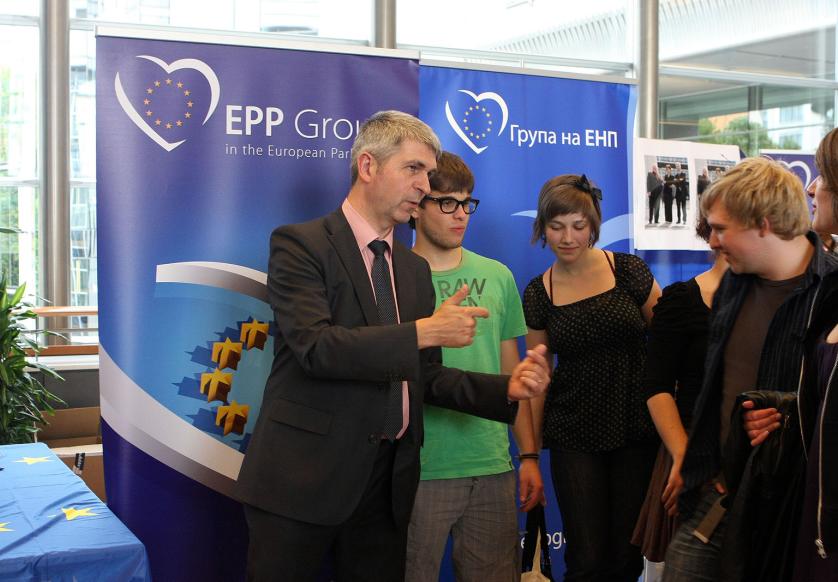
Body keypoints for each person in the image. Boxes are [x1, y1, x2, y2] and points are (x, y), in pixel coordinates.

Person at [235, 110, 551, 582]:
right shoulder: (301, 245)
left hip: (386, 485)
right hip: (302, 479)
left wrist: (506, 388)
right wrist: (426, 331)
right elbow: (317, 347)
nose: (424, 185)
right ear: (368, 166)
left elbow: (427, 376)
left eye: (428, 172)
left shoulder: (412, 269)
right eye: (413, 169)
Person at [662, 157, 838, 582]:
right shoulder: (733, 283)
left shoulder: (832, 292)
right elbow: (715, 384)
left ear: (762, 224)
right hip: (713, 493)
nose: (713, 241)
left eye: (721, 229)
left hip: (785, 510)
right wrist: (694, 462)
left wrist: (786, 412)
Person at [405, 151, 543, 582]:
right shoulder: (391, 277)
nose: (461, 214)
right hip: (419, 468)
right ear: (416, 205)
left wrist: (528, 455)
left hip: (491, 465)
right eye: (447, 202)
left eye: (467, 203)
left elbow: (511, 373)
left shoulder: (498, 275)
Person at [523, 174, 662, 581]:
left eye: (578, 226)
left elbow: (669, 344)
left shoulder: (629, 270)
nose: (567, 238)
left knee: (626, 558)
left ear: (593, 225)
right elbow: (538, 378)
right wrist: (529, 455)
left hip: (636, 427)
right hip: (574, 433)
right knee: (585, 560)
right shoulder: (538, 293)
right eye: (556, 226)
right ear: (543, 228)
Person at [743, 130, 838, 582]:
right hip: (815, 519)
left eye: (824, 176)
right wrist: (785, 412)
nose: (812, 187)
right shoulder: (829, 290)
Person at [631, 216, 727, 562]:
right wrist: (685, 458)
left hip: (752, 458)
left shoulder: (777, 299)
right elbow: (656, 385)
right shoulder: (680, 299)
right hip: (687, 446)